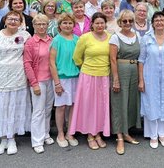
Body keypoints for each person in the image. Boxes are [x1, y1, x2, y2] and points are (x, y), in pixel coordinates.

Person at [0, 11, 31, 155]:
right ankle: (3, 139)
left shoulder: (25, 36)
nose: (13, 21)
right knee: (1, 107)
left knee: (13, 107)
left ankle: (12, 139)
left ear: (21, 22)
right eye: (10, 19)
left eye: (16, 19)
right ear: (5, 20)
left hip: (18, 77)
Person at [70, 12, 111, 150]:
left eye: (102, 23)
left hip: (104, 76)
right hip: (88, 77)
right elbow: (76, 58)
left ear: (105, 24)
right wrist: (86, 69)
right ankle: (90, 135)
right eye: (97, 23)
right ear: (92, 24)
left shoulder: (110, 37)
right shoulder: (85, 38)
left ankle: (98, 133)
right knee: (89, 106)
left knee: (101, 107)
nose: (100, 25)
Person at [138, 12, 164, 149]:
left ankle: (163, 134)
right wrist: (141, 80)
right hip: (150, 77)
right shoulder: (146, 39)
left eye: (162, 20)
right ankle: (153, 135)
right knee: (151, 103)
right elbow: (141, 60)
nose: (159, 22)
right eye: (156, 20)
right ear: (152, 23)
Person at [109, 10, 142, 155]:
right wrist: (115, 79)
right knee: (119, 102)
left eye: (130, 21)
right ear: (120, 22)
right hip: (121, 71)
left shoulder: (137, 35)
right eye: (125, 21)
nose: (127, 23)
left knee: (130, 102)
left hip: (134, 70)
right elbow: (112, 60)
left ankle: (127, 131)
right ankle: (119, 136)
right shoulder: (115, 37)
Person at [23, 14, 54, 154]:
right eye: (38, 24)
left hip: (51, 80)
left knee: (48, 109)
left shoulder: (51, 40)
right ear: (34, 26)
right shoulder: (30, 42)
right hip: (38, 81)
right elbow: (27, 64)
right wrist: (34, 83)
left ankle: (46, 133)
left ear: (48, 25)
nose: (41, 27)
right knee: (38, 111)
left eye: (44, 24)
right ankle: (36, 140)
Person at [49, 13, 80, 148]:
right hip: (61, 78)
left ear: (74, 25)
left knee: (73, 105)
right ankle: (60, 133)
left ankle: (70, 132)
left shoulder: (77, 39)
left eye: (70, 23)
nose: (67, 25)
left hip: (76, 77)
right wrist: (56, 83)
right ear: (60, 25)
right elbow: (51, 63)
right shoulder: (56, 40)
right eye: (64, 23)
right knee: (61, 106)